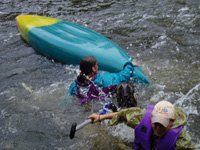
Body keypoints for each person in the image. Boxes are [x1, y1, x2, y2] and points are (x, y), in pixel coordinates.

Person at [88, 101, 196, 150]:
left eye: (162, 125)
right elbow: (123, 114)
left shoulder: (181, 140)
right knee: (116, 145)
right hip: (143, 147)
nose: (157, 128)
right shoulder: (143, 117)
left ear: (172, 121)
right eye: (155, 123)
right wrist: (100, 117)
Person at [67, 55, 138, 103]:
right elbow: (123, 77)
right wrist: (130, 65)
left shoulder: (74, 86)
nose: (97, 67)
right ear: (93, 68)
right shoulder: (104, 80)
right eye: (96, 65)